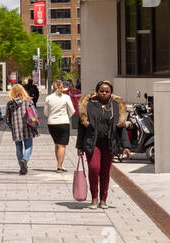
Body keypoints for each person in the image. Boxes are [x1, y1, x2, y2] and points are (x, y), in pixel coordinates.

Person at [77, 80, 130, 209]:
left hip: (109, 143)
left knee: (105, 171)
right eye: (102, 91)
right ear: (97, 92)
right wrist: (79, 146)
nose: (104, 93)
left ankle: (103, 199)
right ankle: (94, 198)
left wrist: (126, 146)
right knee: (94, 168)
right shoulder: (89, 105)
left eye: (107, 91)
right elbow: (81, 127)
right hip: (92, 142)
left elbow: (121, 127)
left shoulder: (116, 106)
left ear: (111, 93)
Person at [44, 80, 76, 171]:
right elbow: (72, 111)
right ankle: (59, 166)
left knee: (57, 144)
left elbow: (46, 112)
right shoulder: (66, 97)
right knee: (62, 145)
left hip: (52, 124)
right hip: (63, 122)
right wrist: (67, 116)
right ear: (62, 87)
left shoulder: (48, 98)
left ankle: (59, 163)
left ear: (53, 88)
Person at [4, 83, 36, 174]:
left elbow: (7, 119)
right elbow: (34, 114)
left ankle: (21, 166)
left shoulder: (10, 104)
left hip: (16, 128)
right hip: (27, 127)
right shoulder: (28, 101)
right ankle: (25, 160)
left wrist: (12, 127)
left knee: (18, 147)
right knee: (29, 146)